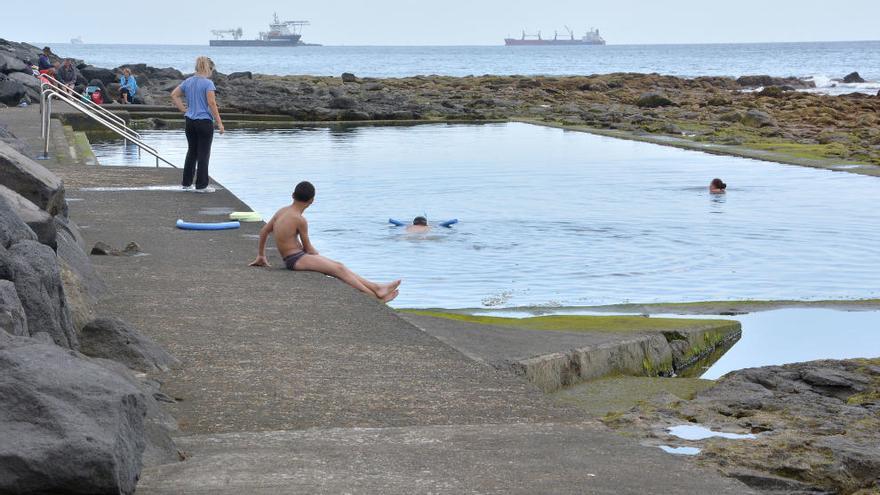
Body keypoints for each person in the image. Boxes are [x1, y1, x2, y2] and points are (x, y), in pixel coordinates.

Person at [249, 181, 402, 303]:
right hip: (296, 259)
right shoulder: (299, 219)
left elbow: (264, 231)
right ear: (312, 200)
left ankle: (377, 288)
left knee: (339, 265)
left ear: (292, 195)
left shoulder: (282, 211)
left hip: (295, 257)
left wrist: (261, 255)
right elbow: (309, 249)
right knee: (338, 270)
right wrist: (319, 257)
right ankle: (375, 297)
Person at [170, 56, 224, 193]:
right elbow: (212, 103)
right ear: (209, 68)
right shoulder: (208, 84)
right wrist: (219, 122)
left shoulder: (188, 81)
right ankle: (201, 185)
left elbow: (174, 95)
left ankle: (186, 183)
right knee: (203, 154)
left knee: (192, 152)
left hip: (190, 121)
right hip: (204, 122)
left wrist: (184, 109)